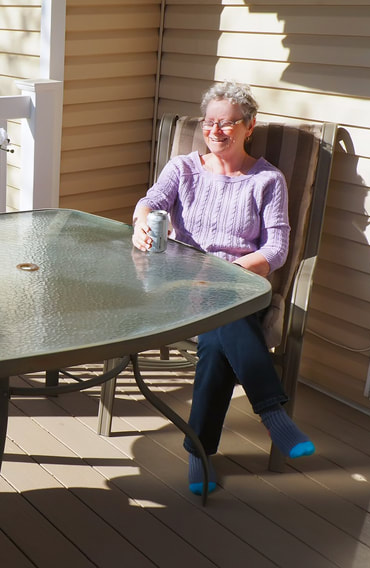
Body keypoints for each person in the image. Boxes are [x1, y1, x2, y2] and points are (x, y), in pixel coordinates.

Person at [132, 81, 315, 495]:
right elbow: (151, 202)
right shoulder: (182, 168)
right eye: (209, 122)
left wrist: (232, 271)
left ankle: (200, 453)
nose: (215, 130)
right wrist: (142, 222)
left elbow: (277, 247)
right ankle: (272, 414)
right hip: (182, 283)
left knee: (218, 334)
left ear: (249, 127)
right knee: (219, 336)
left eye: (227, 123)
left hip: (239, 283)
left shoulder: (268, 179)